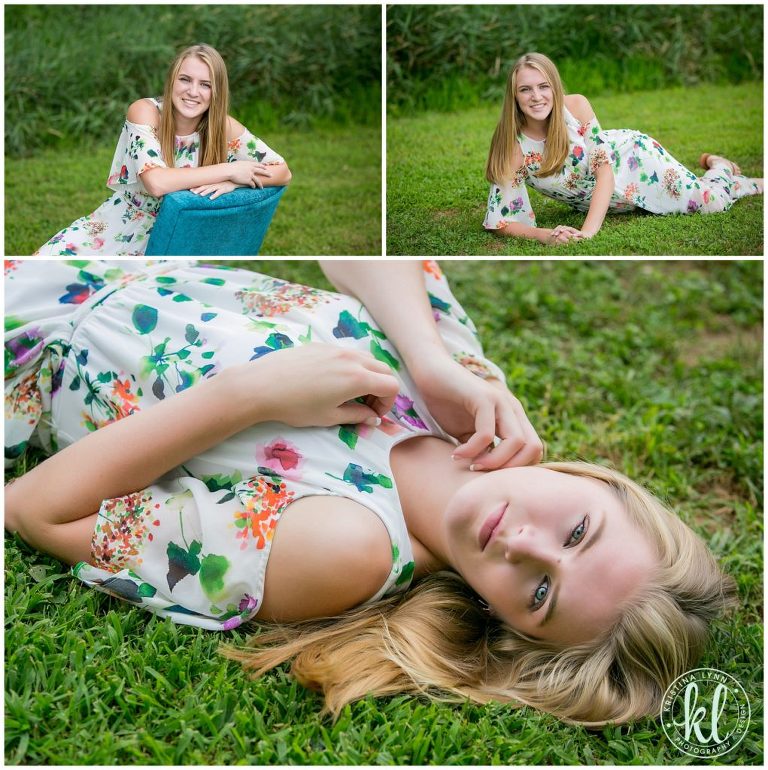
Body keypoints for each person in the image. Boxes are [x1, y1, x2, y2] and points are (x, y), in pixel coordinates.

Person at [4, 259, 735, 726]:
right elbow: (355, 257)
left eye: (540, 592)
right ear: (589, 479)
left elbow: (36, 510)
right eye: (576, 531)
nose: (521, 543)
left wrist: (250, 396)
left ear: (505, 620)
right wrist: (433, 361)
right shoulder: (474, 403)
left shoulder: (347, 545)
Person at [33, 44, 291, 256]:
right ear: (171, 81)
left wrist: (234, 182)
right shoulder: (145, 112)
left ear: (217, 91)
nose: (193, 92)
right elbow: (156, 182)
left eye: (205, 84)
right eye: (185, 80)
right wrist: (229, 170)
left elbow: (283, 171)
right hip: (123, 223)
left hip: (181, 234)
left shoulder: (223, 126)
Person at [484, 52, 763, 245]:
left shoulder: (576, 106)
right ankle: (723, 174)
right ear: (514, 95)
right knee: (689, 200)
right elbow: (502, 220)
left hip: (634, 160)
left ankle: (722, 168)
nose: (536, 97)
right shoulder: (511, 145)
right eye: (526, 89)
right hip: (611, 202)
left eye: (544, 86)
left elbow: (604, 171)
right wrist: (547, 235)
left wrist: (587, 233)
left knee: (711, 203)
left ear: (555, 88)